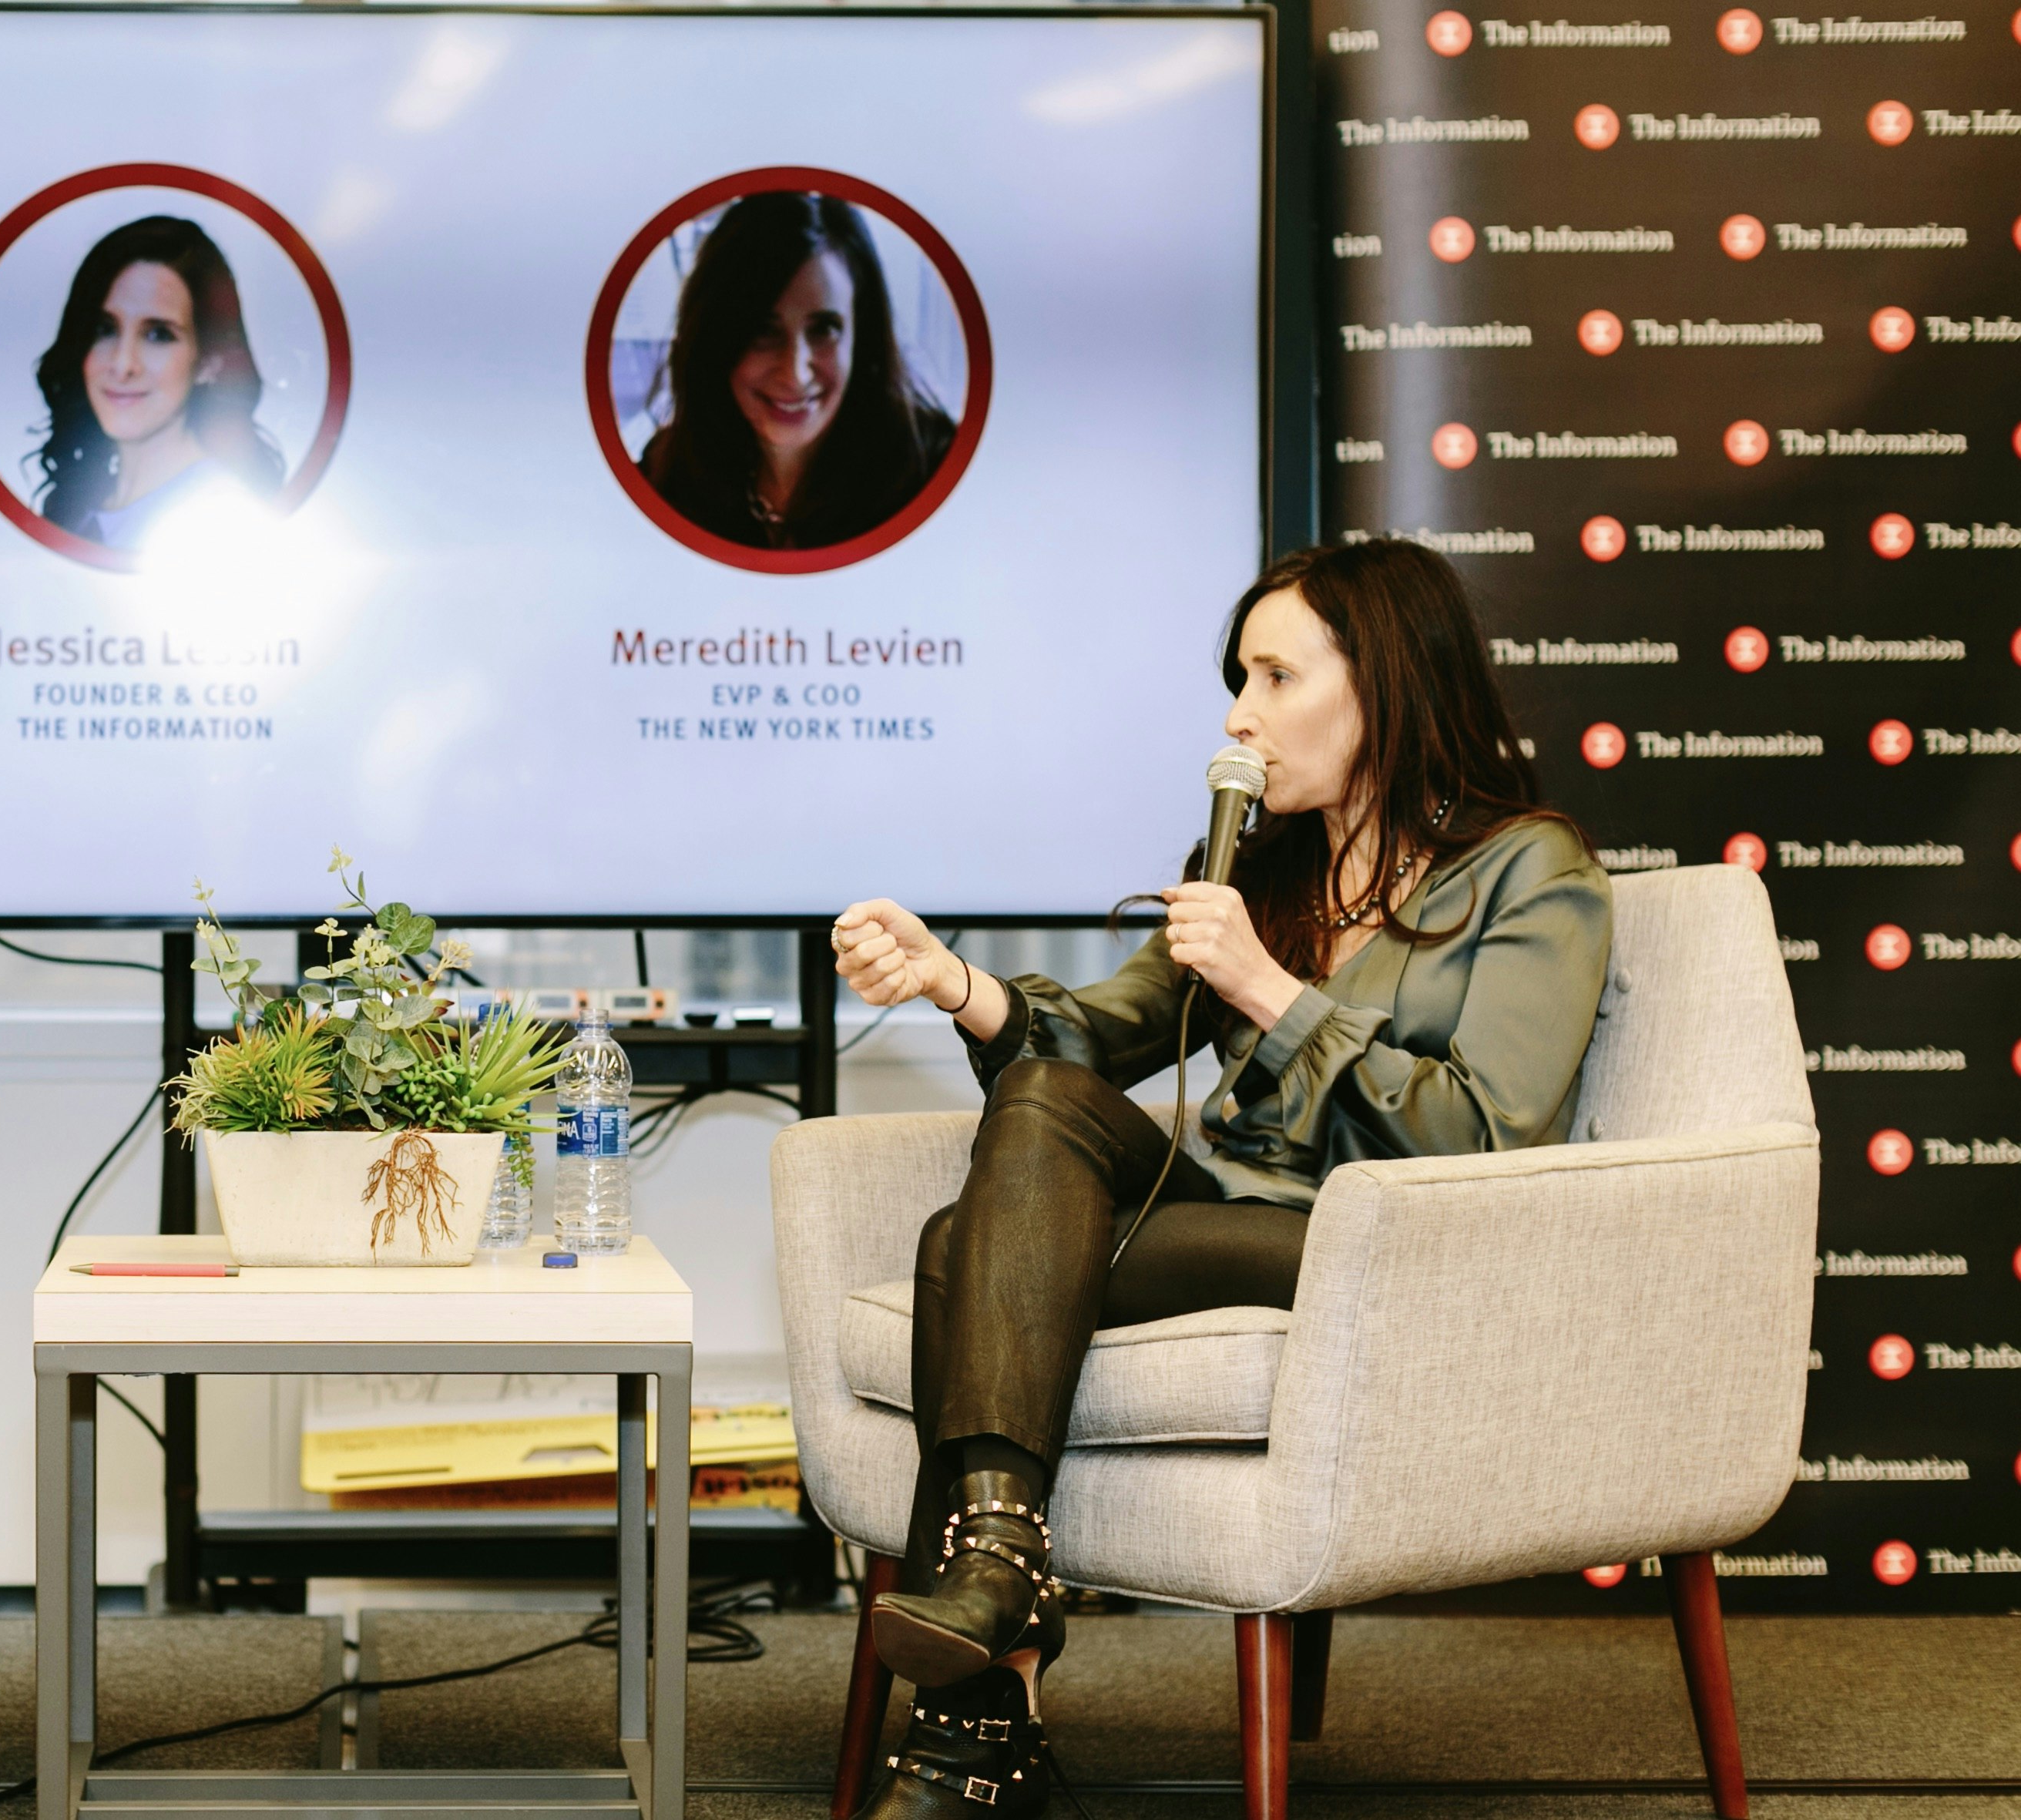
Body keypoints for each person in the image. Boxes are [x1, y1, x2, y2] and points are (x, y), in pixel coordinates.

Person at [827, 539, 1610, 1818]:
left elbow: (1482, 1134)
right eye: (1236, 677)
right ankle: (1002, 1582)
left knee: (955, 1245)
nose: (1237, 716)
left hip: (1384, 1244)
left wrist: (1267, 988)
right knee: (1032, 1114)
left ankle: (979, 1723)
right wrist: (950, 979)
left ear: (1386, 685)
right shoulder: (1258, 860)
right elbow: (1089, 1042)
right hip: (1228, 1221)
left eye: (1273, 675)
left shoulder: (1534, 870)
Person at [636, 191, 955, 552]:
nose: (795, 375)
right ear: (716, 337)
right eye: (763, 331)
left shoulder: (938, 473)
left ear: (860, 334)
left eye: (824, 329)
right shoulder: (668, 474)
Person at [27, 215, 286, 549]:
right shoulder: (78, 511)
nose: (123, 365)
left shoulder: (220, 523)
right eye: (105, 329)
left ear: (209, 361)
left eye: (157, 335)